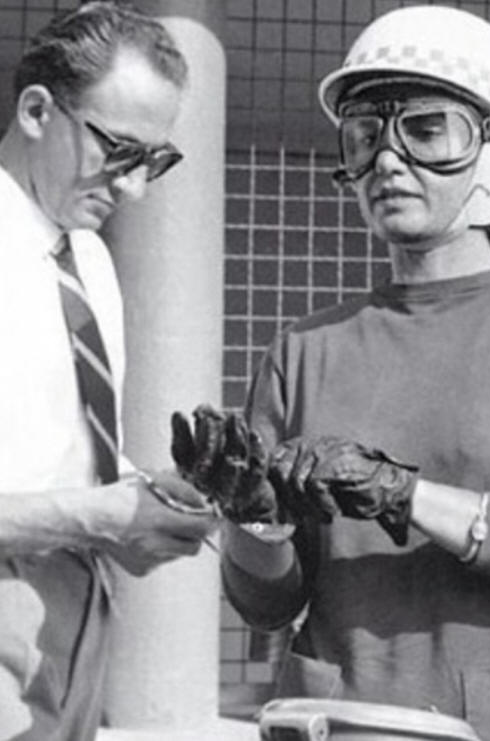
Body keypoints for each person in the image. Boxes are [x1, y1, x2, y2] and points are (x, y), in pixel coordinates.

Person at [195, 5, 490, 741]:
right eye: (364, 136)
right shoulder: (303, 349)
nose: (387, 161)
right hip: (337, 720)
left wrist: (403, 494)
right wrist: (254, 522)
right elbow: (268, 606)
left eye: (426, 130)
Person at [0, 3, 219, 740]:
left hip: (81, 611)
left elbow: (55, 454)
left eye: (155, 160)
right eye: (119, 151)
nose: (135, 189)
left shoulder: (88, 259)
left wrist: (148, 500)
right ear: (37, 111)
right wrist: (98, 517)